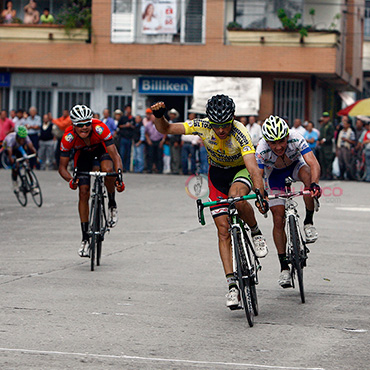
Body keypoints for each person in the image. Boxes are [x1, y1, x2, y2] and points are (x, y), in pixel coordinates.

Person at [151, 95, 269, 309]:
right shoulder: (202, 126)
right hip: (216, 174)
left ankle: (255, 231)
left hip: (239, 171)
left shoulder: (240, 131)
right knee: (223, 230)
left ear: (232, 119)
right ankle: (232, 285)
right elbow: (166, 129)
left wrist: (260, 192)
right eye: (217, 126)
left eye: (225, 125)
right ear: (209, 121)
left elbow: (253, 168)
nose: (221, 130)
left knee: (237, 197)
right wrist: (159, 115)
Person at [256, 115, 321, 288]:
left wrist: (314, 185)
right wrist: (260, 195)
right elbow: (258, 176)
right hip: (274, 176)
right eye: (273, 143)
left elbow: (313, 163)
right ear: (267, 142)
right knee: (278, 218)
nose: (278, 147)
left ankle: (308, 222)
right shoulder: (261, 148)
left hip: (295, 167)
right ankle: (284, 267)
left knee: (308, 178)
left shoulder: (296, 138)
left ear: (287, 137)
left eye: (281, 142)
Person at [58, 105, 125, 257]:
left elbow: (115, 156)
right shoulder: (68, 137)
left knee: (108, 171)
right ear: (73, 125)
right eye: (80, 125)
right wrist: (71, 180)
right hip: (82, 157)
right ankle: (85, 238)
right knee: (83, 192)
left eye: (87, 123)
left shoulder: (100, 128)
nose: (84, 127)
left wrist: (119, 175)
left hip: (102, 151)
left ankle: (112, 204)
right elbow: (62, 168)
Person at [3, 126, 37, 191]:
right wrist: (12, 161)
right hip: (9, 149)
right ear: (17, 136)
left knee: (27, 164)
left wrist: (36, 156)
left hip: (19, 148)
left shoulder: (25, 137)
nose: (22, 140)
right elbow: (10, 154)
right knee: (15, 167)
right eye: (21, 138)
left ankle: (33, 184)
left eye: (23, 139)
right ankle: (15, 183)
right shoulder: (11, 139)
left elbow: (31, 147)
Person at [336, 116, 356, 180]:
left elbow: (353, 141)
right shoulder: (341, 131)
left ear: (349, 125)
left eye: (345, 123)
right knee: (340, 162)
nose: (344, 125)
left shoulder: (351, 132)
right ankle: (341, 175)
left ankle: (349, 175)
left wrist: (346, 140)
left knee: (347, 162)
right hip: (340, 147)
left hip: (346, 148)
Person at [117, 105, 135, 172]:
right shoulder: (123, 118)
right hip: (123, 138)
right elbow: (119, 126)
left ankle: (127, 168)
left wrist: (131, 126)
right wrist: (125, 125)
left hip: (129, 138)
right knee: (122, 153)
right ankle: (121, 167)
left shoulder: (132, 118)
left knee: (128, 154)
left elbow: (135, 127)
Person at [318, 112, 335, 180]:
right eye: (323, 117)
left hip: (328, 146)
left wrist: (324, 140)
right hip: (322, 146)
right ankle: (324, 174)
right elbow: (321, 135)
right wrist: (319, 140)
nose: (324, 119)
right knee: (322, 160)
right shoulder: (323, 125)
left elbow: (331, 135)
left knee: (328, 160)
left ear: (328, 118)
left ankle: (329, 174)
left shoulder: (330, 126)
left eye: (326, 117)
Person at [168, 108, 181, 174]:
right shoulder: (170, 122)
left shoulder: (176, 122)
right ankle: (172, 169)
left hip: (174, 141)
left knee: (175, 156)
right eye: (171, 114)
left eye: (173, 114)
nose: (171, 115)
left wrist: (177, 141)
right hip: (171, 140)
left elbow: (178, 132)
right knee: (172, 156)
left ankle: (176, 170)